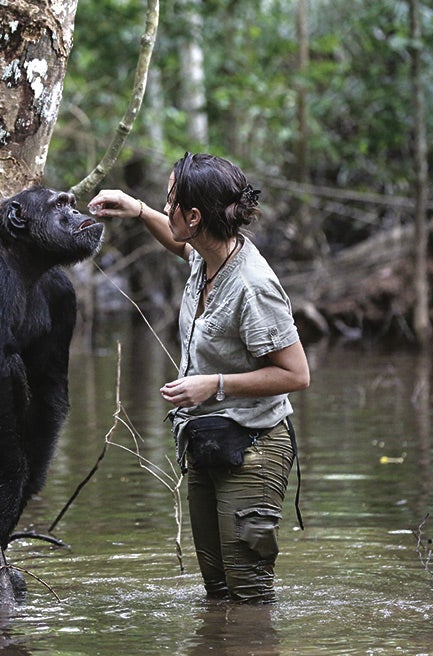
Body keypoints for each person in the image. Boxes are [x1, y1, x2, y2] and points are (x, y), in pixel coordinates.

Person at [89, 152, 310, 603]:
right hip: (209, 441)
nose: (164, 207)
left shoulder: (252, 286)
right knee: (217, 592)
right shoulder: (208, 256)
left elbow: (297, 373)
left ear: (193, 217)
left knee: (249, 593)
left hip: (255, 447)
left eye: (169, 201)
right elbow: (182, 247)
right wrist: (137, 209)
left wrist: (214, 384)